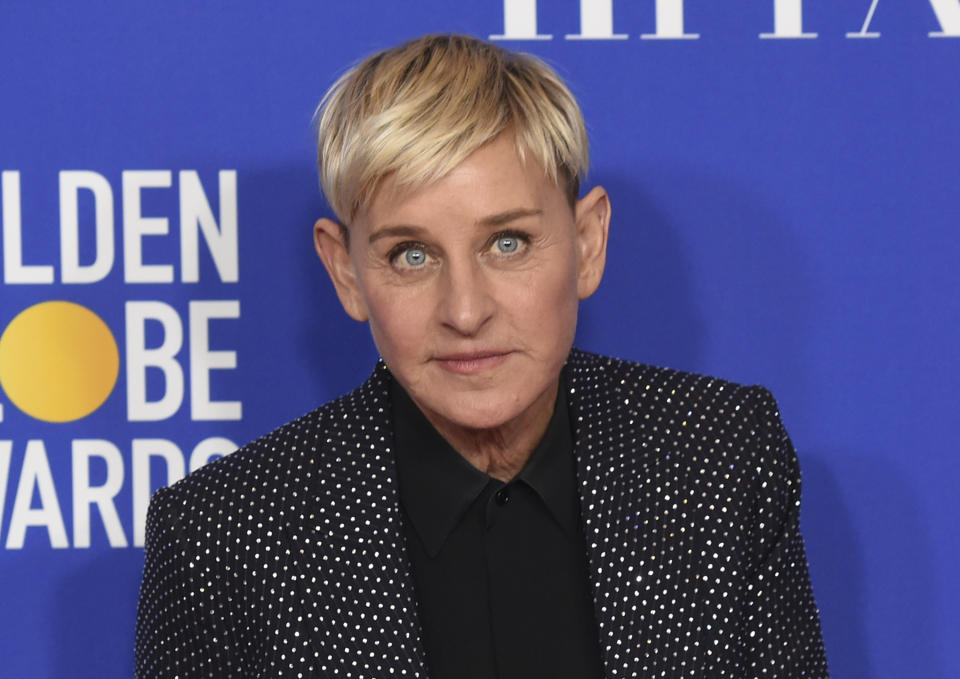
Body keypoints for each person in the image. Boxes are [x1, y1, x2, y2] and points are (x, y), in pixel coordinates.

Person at [135, 34, 829, 678]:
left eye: (508, 243)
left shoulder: (719, 457)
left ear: (587, 244)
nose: (465, 311)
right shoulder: (221, 537)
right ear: (345, 271)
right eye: (411, 254)